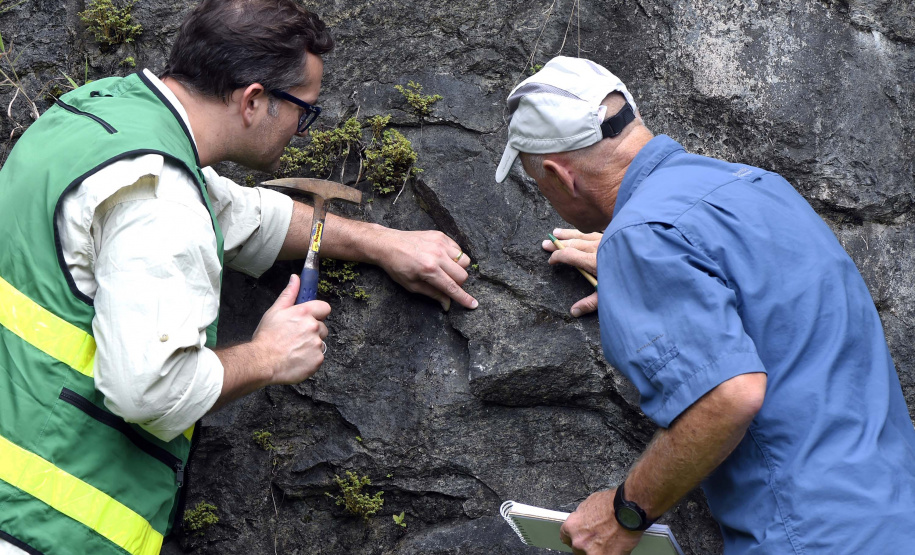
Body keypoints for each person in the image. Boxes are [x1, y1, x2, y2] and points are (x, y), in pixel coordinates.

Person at [0, 1, 477, 553]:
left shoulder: (98, 116)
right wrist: (268, 356)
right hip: (46, 522)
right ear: (253, 100)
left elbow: (236, 214)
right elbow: (151, 391)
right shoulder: (161, 196)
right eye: (306, 110)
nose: (304, 129)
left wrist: (380, 242)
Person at [495, 56, 915, 554]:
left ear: (559, 175)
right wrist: (649, 286)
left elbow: (731, 395)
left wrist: (624, 513)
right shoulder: (757, 187)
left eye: (538, 186)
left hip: (809, 537)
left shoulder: (644, 237)